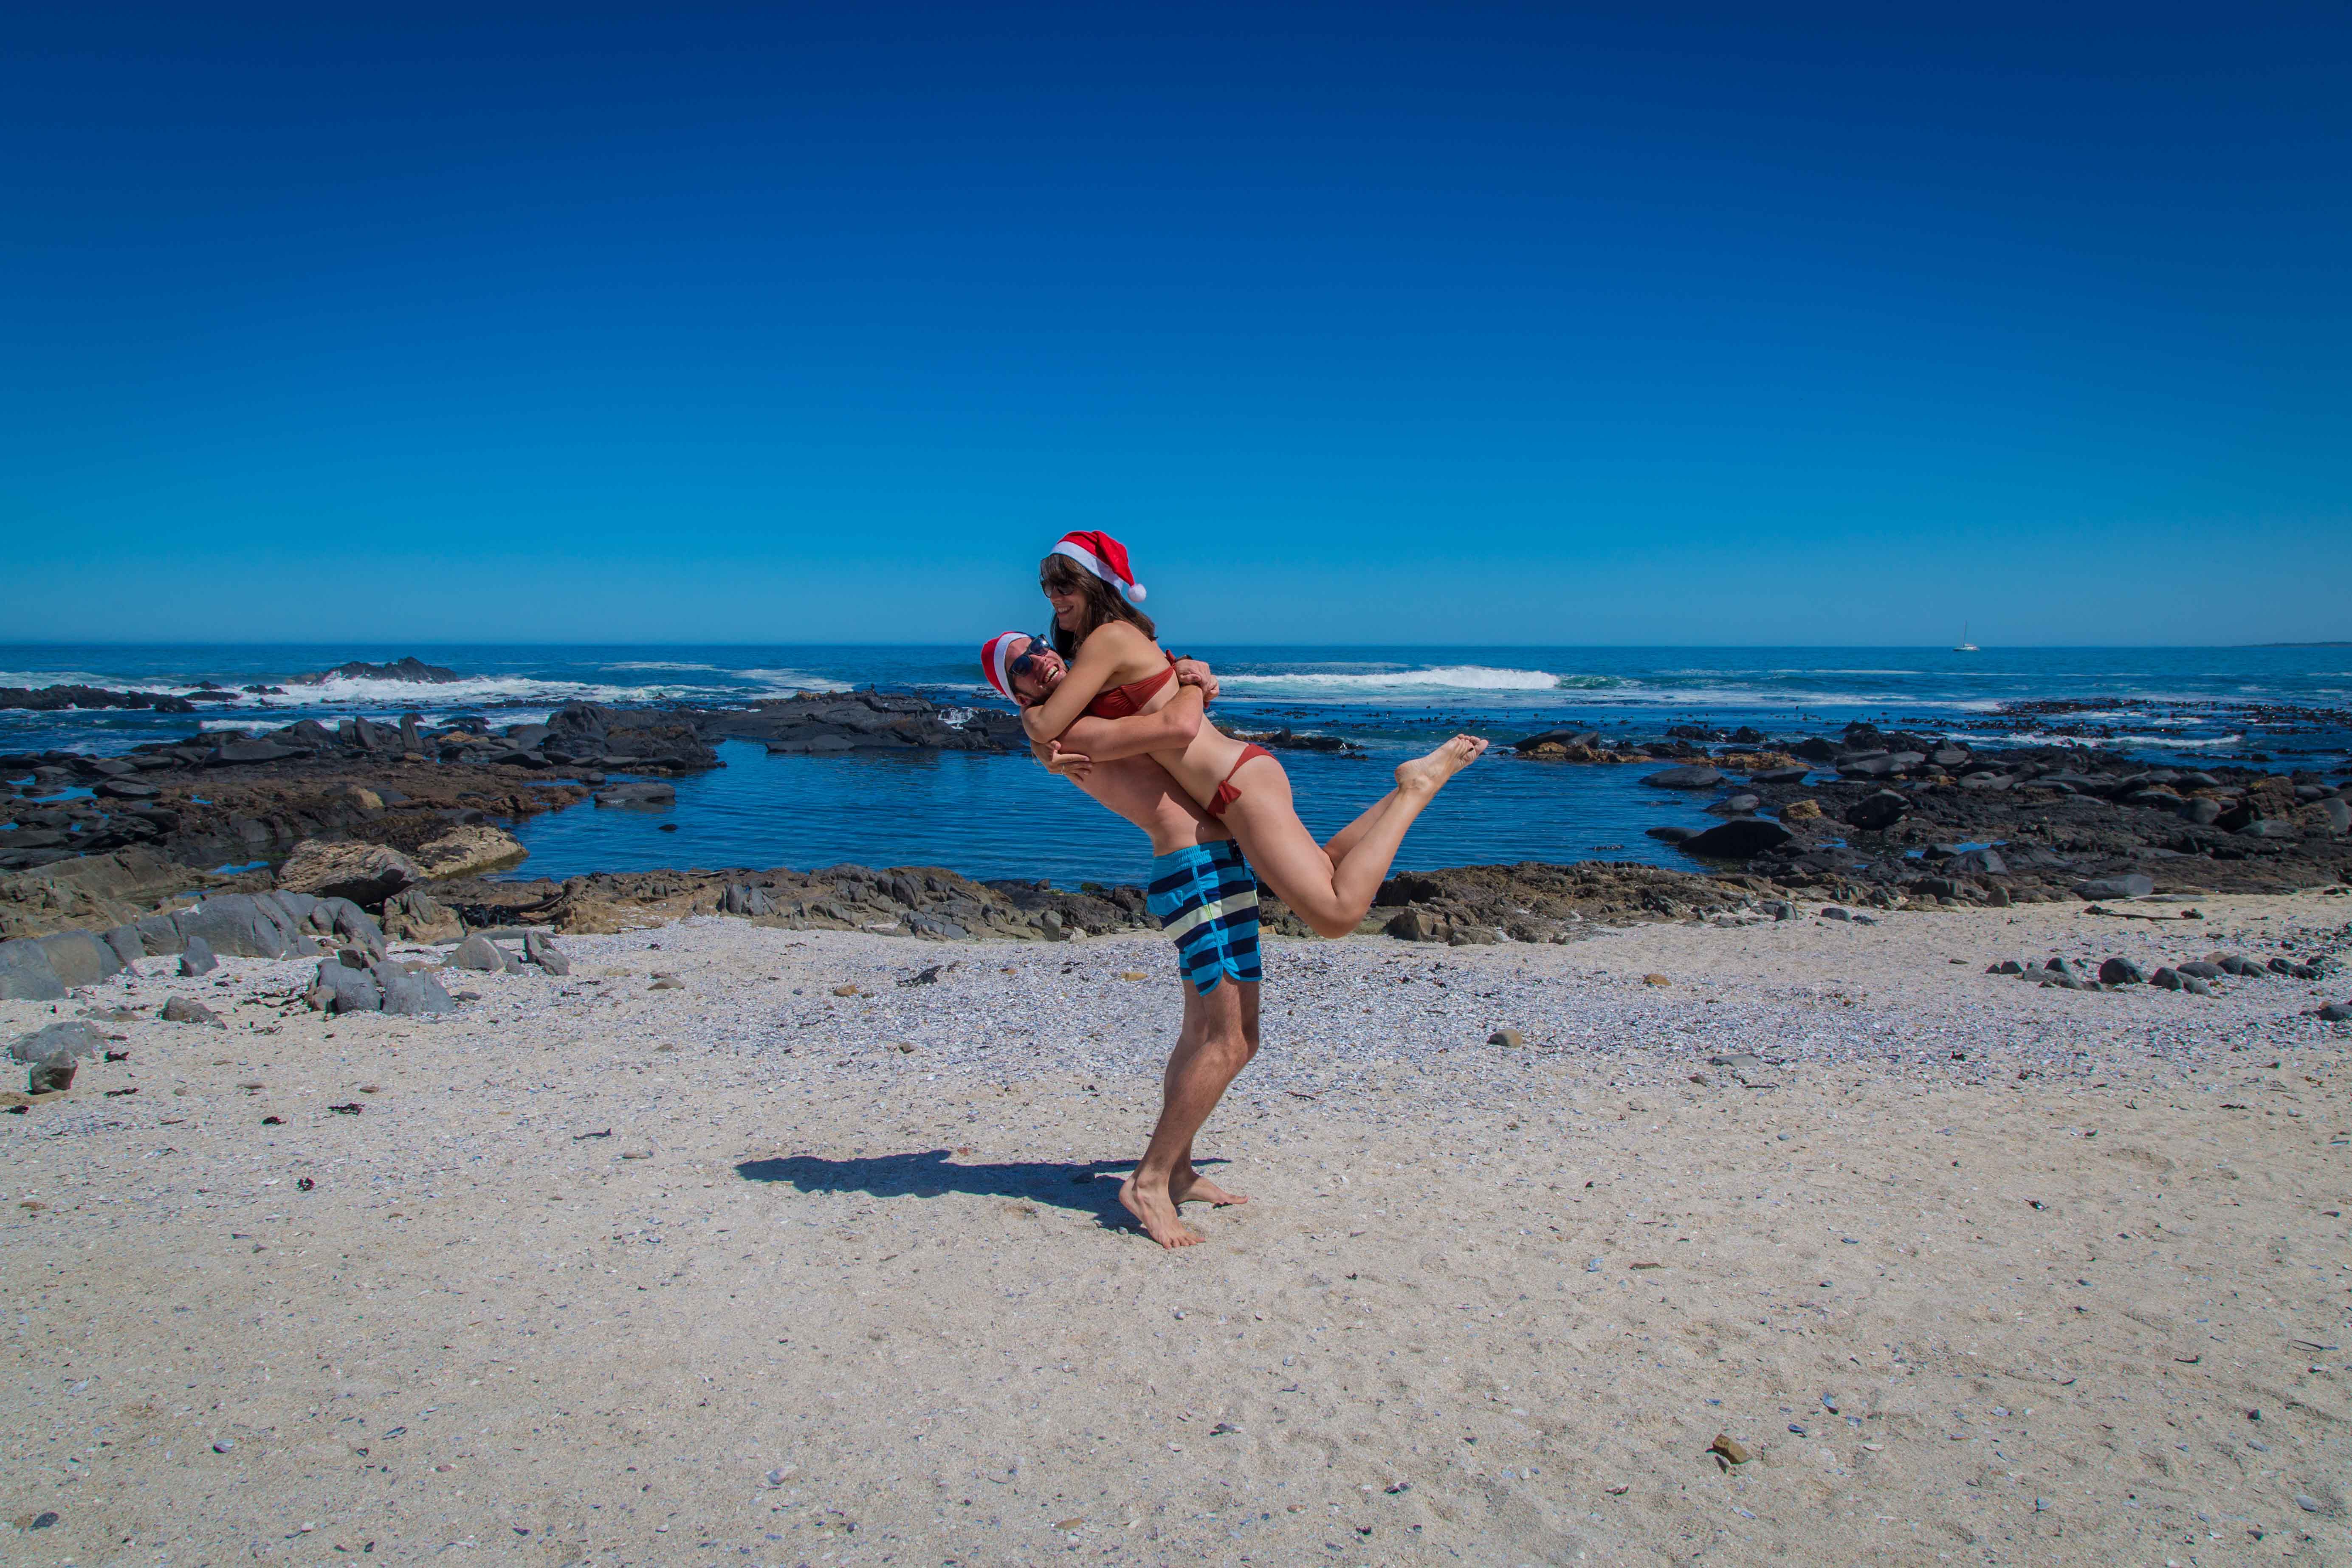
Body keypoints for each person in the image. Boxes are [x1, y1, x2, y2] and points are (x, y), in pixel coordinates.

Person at [1003, 529, 1488, 939]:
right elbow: (1076, 723)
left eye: (1064, 584)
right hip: (1234, 780)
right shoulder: (1113, 643)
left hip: (1234, 783)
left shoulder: (1107, 638)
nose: (1054, 597)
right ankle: (1408, 785)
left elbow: (1047, 723)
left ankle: (1416, 790)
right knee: (1326, 867)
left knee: (1336, 916)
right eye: (1048, 587)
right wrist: (1048, 754)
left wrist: (1037, 738)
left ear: (1094, 584)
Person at [986, 643, 1260, 1248]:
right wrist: (1193, 682)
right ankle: (1150, 1180)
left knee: (1203, 1032)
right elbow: (1176, 723)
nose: (1040, 658)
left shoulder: (1082, 717)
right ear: (1021, 696)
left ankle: (1179, 1170)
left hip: (1211, 863)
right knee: (1233, 1039)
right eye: (1022, 666)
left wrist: (1189, 671)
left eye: (1038, 647)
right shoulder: (1066, 731)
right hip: (1196, 871)